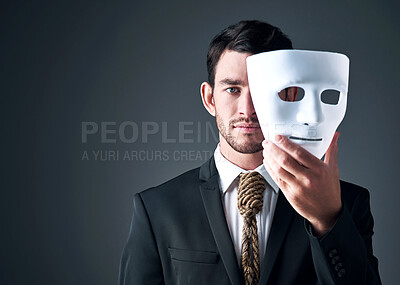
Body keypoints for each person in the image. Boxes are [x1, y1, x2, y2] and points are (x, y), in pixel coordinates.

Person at [119, 20, 381, 285]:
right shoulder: (157, 208)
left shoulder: (345, 204)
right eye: (232, 89)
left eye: (264, 91)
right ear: (209, 99)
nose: (248, 108)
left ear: (291, 95)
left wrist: (327, 221)